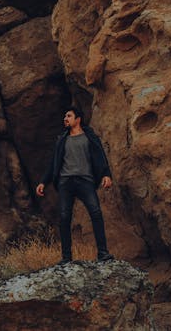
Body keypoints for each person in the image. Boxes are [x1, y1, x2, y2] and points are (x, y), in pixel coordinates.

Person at [36, 106, 114, 264]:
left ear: (78, 119)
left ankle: (103, 254)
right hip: (66, 182)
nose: (65, 118)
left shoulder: (90, 137)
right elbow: (53, 163)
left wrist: (106, 174)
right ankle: (66, 258)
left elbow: (100, 156)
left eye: (69, 116)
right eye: (65, 116)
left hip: (86, 181)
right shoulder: (62, 139)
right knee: (64, 217)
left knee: (96, 213)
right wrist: (44, 181)